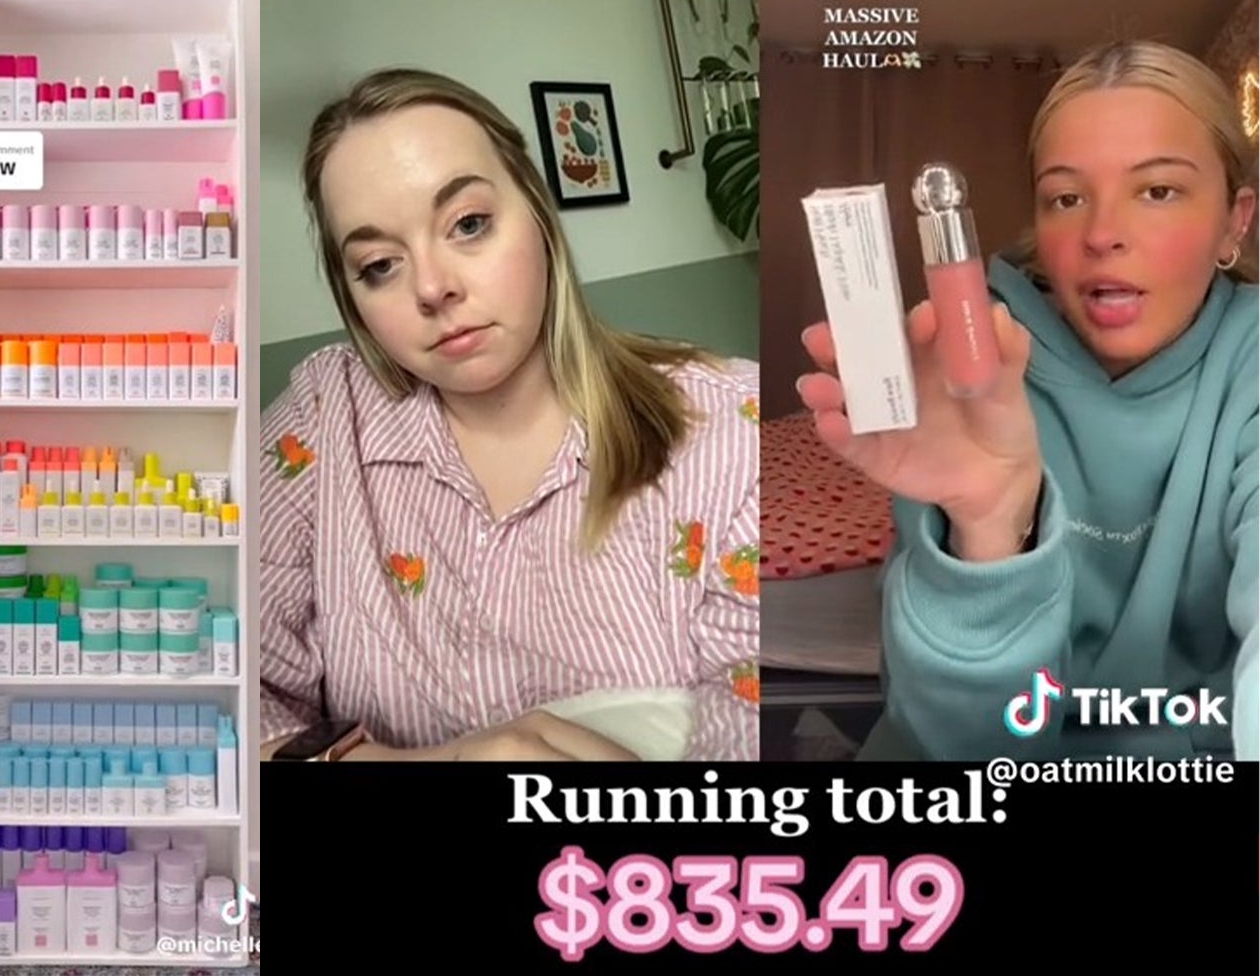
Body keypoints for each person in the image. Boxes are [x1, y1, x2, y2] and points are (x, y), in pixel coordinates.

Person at [257, 68, 761, 763]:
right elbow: (208, 690)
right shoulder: (321, 420)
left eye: (468, 224)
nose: (433, 288)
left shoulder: (727, 428)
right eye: (379, 265)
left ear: (539, 214)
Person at [795, 40, 1258, 761]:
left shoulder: (1251, 359)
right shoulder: (975, 363)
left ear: (1236, 219)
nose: (1102, 235)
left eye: (1157, 190)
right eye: (1066, 198)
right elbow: (957, 746)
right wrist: (989, 522)